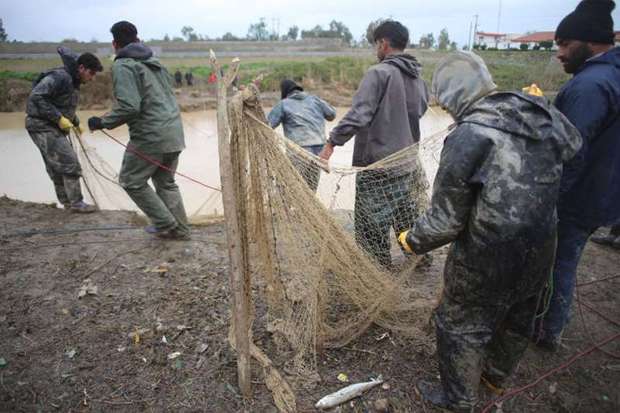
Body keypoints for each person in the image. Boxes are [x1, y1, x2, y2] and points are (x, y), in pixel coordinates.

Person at [397, 51, 581, 412]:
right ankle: (494, 380)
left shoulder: (469, 135)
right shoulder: (542, 115)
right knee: (518, 318)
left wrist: (412, 240)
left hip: (488, 252)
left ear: (452, 98)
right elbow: (574, 146)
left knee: (460, 324)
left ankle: (458, 400)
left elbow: (446, 222)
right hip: (542, 244)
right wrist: (540, 107)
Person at [537, 0, 620, 350]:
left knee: (559, 264)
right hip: (602, 192)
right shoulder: (611, 74)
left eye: (565, 45)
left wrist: (547, 203)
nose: (559, 53)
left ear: (591, 42)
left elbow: (569, 152)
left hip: (577, 197)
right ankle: (549, 322)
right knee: (566, 260)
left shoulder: (589, 86)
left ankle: (547, 332)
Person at [318, 20, 429, 269]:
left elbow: (359, 114)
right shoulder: (418, 78)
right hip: (408, 163)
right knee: (407, 218)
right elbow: (420, 110)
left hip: (380, 166)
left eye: (376, 44)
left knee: (371, 226)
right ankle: (420, 261)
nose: (376, 49)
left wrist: (331, 144)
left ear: (384, 43)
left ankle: (377, 273)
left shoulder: (378, 73)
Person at [88, 21, 190, 240]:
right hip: (174, 132)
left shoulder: (123, 65)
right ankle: (180, 229)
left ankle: (165, 223)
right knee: (166, 182)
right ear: (137, 38)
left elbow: (129, 106)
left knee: (131, 180)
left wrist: (102, 122)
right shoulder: (155, 62)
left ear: (114, 44)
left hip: (151, 136)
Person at [25, 46, 103, 213]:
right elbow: (37, 96)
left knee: (56, 166)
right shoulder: (59, 77)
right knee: (69, 163)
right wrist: (58, 118)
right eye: (91, 73)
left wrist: (75, 121)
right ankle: (76, 203)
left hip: (51, 126)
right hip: (41, 126)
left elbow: (62, 103)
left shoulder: (74, 81)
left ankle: (68, 203)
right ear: (81, 68)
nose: (92, 78)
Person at [268, 79, 336, 191]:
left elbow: (268, 125)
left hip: (298, 151)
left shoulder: (283, 104)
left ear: (284, 92)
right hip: (319, 152)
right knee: (310, 188)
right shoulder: (314, 99)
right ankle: (308, 208)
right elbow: (332, 115)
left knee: (291, 186)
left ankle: (290, 208)